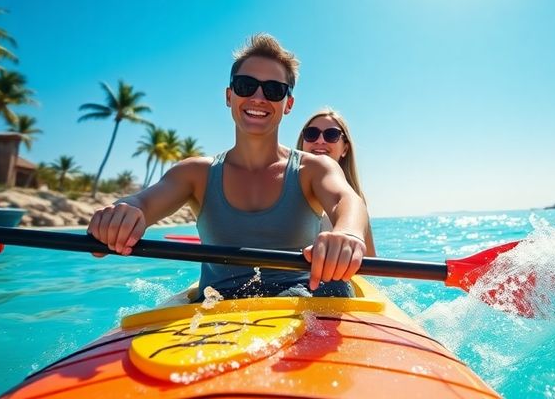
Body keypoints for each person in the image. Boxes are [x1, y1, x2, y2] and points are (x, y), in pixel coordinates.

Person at [86, 34, 369, 299]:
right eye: (246, 85)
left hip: (306, 302)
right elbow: (143, 202)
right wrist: (123, 212)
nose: (258, 97)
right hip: (219, 312)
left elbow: (347, 200)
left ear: (288, 104)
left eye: (273, 90)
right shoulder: (194, 173)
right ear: (229, 95)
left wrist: (346, 233)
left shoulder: (314, 169)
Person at [296, 108, 377, 256]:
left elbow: (370, 261)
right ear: (303, 142)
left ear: (345, 148)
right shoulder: (284, 185)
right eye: (311, 134)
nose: (320, 140)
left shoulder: (355, 199)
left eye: (331, 135)